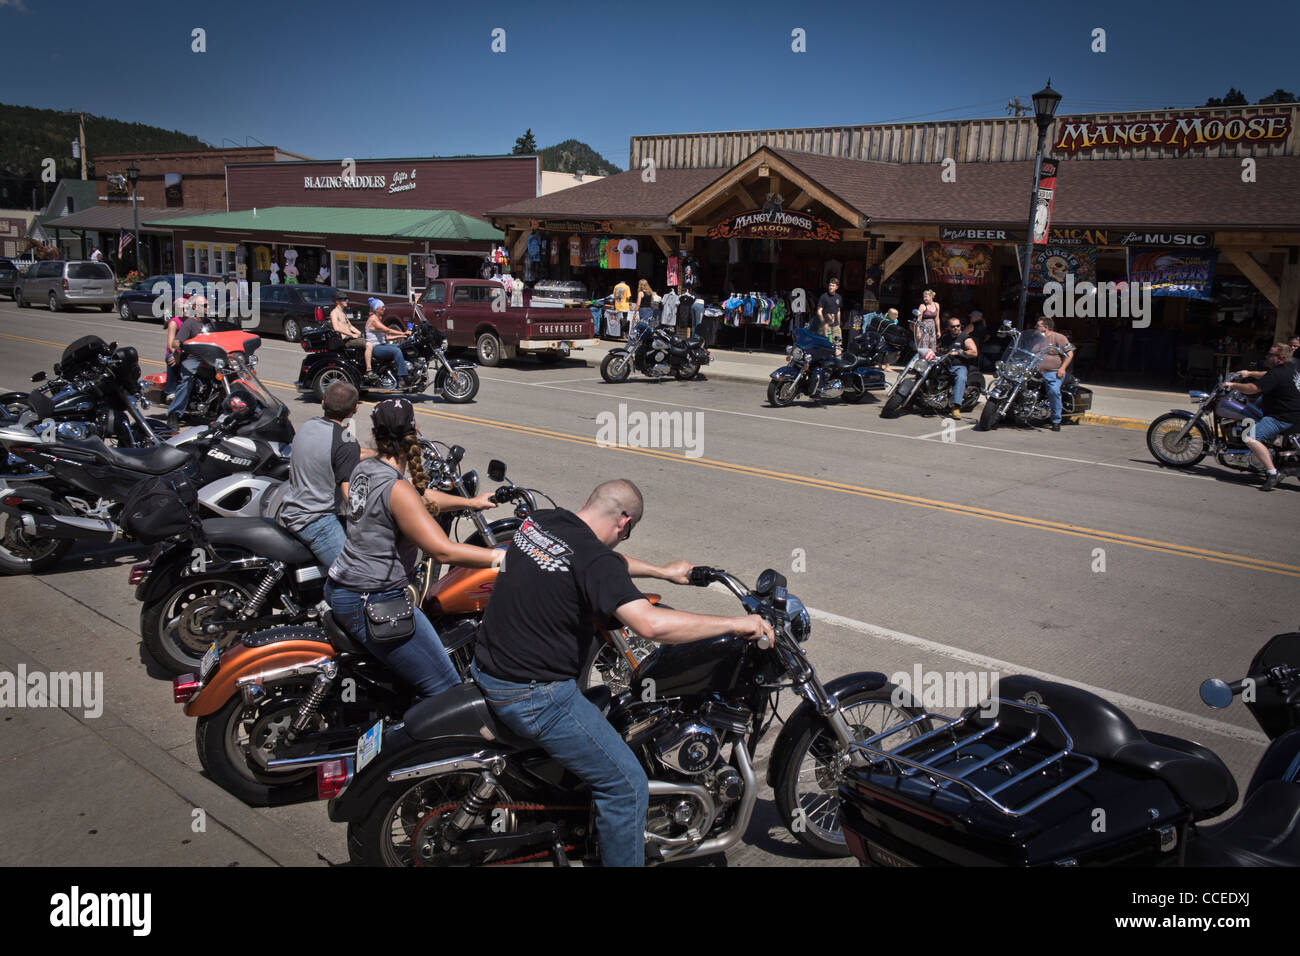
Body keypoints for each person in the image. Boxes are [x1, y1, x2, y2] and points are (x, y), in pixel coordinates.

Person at [471, 479, 774, 867]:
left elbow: (601, 563)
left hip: (491, 667)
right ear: (624, 522)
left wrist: (663, 573)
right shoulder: (594, 560)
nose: (621, 544)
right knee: (627, 786)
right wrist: (736, 624)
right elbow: (650, 626)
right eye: (627, 535)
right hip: (535, 696)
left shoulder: (542, 523)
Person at [327, 399, 501, 696]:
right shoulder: (396, 488)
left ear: (374, 432)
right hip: (374, 599)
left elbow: (417, 499)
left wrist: (470, 502)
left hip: (343, 586)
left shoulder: (365, 469)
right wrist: (503, 558)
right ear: (415, 431)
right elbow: (443, 551)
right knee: (447, 690)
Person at [279, 382, 370, 567]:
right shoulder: (345, 443)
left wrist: (382, 454)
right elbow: (350, 497)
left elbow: (342, 453)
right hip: (317, 521)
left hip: (291, 509)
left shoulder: (309, 425)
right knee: (354, 575)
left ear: (322, 403)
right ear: (355, 409)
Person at [1225, 342, 1300, 491]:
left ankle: (1272, 472)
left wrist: (1232, 385)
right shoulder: (1291, 367)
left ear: (1279, 358)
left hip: (1282, 417)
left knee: (1249, 437)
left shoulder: (1277, 373)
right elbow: (1267, 375)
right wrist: (1249, 373)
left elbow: (1253, 389)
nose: (1266, 356)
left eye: (1270, 354)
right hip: (1294, 413)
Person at [167, 295, 213, 429]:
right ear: (194, 307)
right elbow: (178, 341)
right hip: (192, 359)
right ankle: (174, 414)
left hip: (209, 359)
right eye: (205, 305)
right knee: (187, 379)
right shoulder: (189, 323)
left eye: (208, 305)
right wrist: (176, 350)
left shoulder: (210, 323)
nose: (208, 307)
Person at [1033, 316, 1074, 432]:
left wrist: (1062, 368)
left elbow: (1070, 354)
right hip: (1034, 370)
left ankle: (1056, 420)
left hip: (1053, 372)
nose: (1035, 328)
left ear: (1046, 327)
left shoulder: (1059, 337)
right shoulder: (1036, 338)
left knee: (1053, 391)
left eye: (1037, 326)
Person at [937, 315, 979, 419]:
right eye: (953, 326)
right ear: (949, 327)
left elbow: (974, 352)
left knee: (961, 378)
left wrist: (960, 352)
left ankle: (956, 407)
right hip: (944, 364)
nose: (956, 328)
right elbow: (938, 348)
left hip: (959, 366)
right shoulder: (946, 337)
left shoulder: (965, 338)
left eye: (958, 326)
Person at [329, 290, 376, 381]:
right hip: (346, 340)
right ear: (337, 301)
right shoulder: (334, 313)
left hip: (350, 337)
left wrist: (359, 332)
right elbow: (336, 328)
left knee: (371, 342)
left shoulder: (342, 312)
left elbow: (349, 326)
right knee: (369, 344)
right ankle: (369, 370)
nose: (346, 301)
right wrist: (351, 334)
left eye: (347, 299)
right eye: (344, 299)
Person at [364, 298, 411, 388]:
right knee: (396, 351)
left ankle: (405, 369)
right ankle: (402, 377)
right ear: (377, 309)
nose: (384, 309)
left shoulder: (378, 319)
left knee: (403, 347)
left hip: (382, 344)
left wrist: (402, 337)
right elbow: (387, 330)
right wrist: (403, 332)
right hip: (376, 347)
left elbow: (386, 337)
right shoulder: (373, 320)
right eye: (382, 307)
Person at [163, 295, 188, 398]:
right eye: (183, 308)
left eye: (188, 307)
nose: (186, 310)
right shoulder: (174, 322)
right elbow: (170, 343)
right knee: (171, 360)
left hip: (188, 352)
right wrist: (176, 354)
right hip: (175, 352)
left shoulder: (191, 321)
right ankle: (171, 391)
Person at [816, 277, 843, 351]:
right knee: (825, 347)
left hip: (835, 327)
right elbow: (819, 311)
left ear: (836, 287)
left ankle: (837, 362)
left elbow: (838, 311)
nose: (831, 287)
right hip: (826, 327)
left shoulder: (839, 297)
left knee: (837, 347)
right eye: (830, 285)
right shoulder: (824, 297)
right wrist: (823, 323)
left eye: (833, 286)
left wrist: (839, 324)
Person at [914, 289, 939, 354]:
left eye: (926, 297)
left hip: (932, 328)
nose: (924, 298)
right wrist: (918, 332)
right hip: (924, 328)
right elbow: (918, 319)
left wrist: (938, 330)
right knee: (924, 346)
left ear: (931, 297)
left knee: (932, 345)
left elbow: (937, 318)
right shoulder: (922, 306)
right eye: (923, 297)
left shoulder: (936, 305)